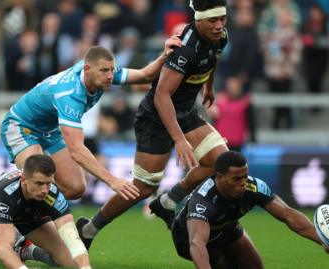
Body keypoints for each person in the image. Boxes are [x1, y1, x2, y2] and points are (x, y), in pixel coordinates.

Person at [76, 0, 233, 248]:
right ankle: (89, 229)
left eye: (222, 19)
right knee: (142, 188)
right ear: (199, 20)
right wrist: (179, 139)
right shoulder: (185, 48)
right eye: (213, 20)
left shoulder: (220, 36)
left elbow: (212, 59)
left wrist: (209, 87)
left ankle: (168, 202)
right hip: (155, 117)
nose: (219, 25)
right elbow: (161, 95)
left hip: (185, 111)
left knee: (219, 160)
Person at [0, 37, 181, 201]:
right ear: (87, 70)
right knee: (36, 178)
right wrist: (112, 181)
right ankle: (6, 195)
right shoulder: (69, 94)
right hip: (22, 126)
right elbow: (77, 150)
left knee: (75, 188)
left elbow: (145, 75)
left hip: (50, 130)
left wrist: (164, 55)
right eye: (104, 71)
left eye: (112, 70)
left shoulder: (101, 72)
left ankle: (24, 193)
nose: (110, 76)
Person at [170, 151, 329, 268]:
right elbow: (197, 242)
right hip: (190, 238)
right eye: (236, 179)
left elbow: (288, 215)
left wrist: (324, 240)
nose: (243, 183)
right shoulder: (203, 201)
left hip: (226, 227)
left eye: (245, 176)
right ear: (219, 177)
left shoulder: (253, 187)